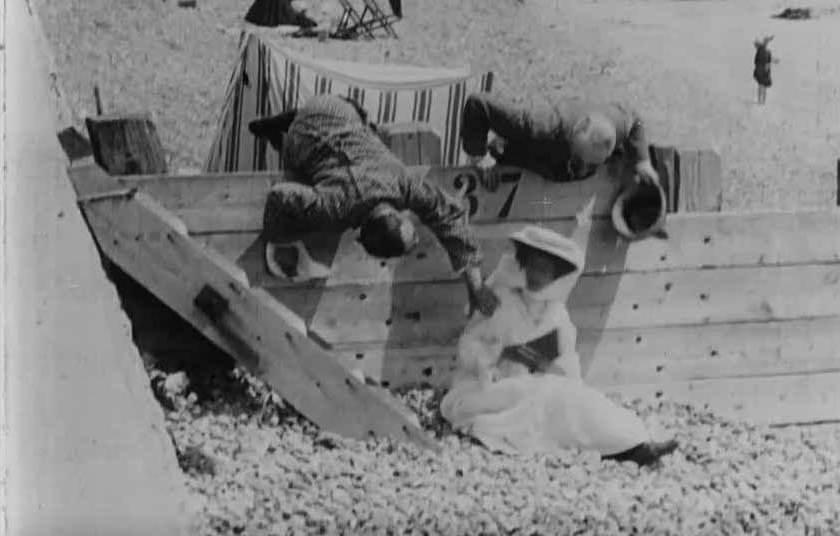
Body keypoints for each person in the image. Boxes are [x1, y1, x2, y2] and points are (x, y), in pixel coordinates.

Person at [440, 199, 679, 465]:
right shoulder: (500, 300)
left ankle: (635, 443)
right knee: (547, 400)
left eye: (545, 270)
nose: (537, 275)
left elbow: (569, 372)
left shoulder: (557, 315)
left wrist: (544, 364)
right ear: (523, 264)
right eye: (533, 266)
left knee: (577, 399)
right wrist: (497, 357)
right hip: (488, 390)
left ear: (556, 276)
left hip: (537, 386)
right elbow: (468, 349)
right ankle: (629, 449)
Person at [250, 94, 499, 316]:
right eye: (415, 239)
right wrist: (280, 239)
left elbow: (448, 215)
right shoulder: (334, 207)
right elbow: (277, 196)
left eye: (412, 238)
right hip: (306, 134)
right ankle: (285, 130)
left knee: (367, 131)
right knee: (297, 176)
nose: (419, 239)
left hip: (340, 107)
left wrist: (476, 286)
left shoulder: (399, 181)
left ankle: (288, 120)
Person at [459, 92, 661, 191]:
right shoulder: (536, 125)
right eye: (580, 159)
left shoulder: (617, 123)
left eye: (592, 164)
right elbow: (478, 103)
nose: (585, 167)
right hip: (525, 161)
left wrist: (642, 161)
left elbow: (635, 120)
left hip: (563, 189)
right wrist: (479, 157)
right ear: (573, 135)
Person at [754, 36, 779, 105]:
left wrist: (774, 60)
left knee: (762, 86)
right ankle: (761, 101)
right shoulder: (762, 51)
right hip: (762, 70)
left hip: (764, 70)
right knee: (762, 86)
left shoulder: (765, 51)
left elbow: (769, 59)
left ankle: (761, 101)